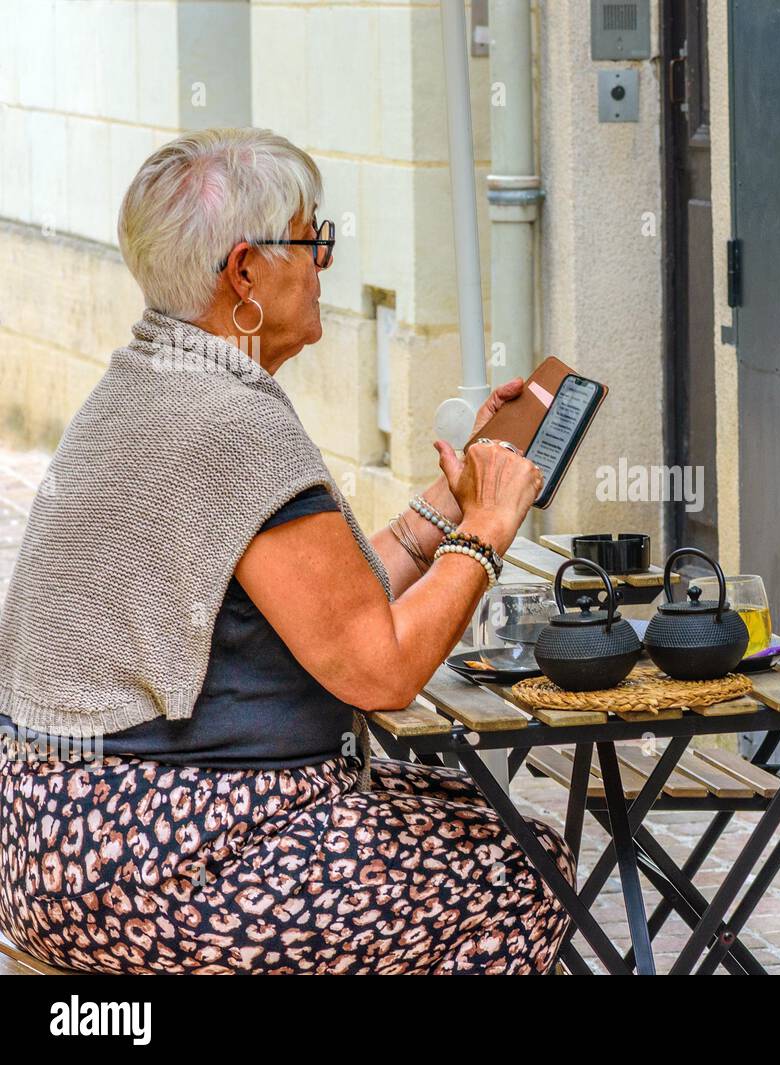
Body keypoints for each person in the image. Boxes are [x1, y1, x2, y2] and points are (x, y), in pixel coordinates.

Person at [0, 128, 573, 974]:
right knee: (522, 866)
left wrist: (443, 511)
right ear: (244, 272)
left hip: (54, 842)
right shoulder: (233, 426)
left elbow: (323, 604)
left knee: (464, 821)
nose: (323, 265)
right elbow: (379, 671)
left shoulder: (140, 388)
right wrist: (488, 532)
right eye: (312, 240)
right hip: (166, 856)